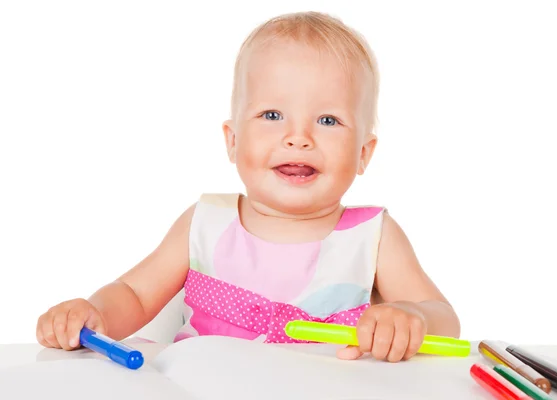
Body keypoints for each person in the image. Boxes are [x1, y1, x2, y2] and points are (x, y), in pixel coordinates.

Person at [36, 11, 460, 363]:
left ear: (364, 152)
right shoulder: (205, 221)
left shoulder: (373, 236)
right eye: (272, 115)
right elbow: (134, 293)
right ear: (233, 140)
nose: (298, 137)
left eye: (327, 121)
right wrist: (94, 313)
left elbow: (444, 316)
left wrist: (410, 317)